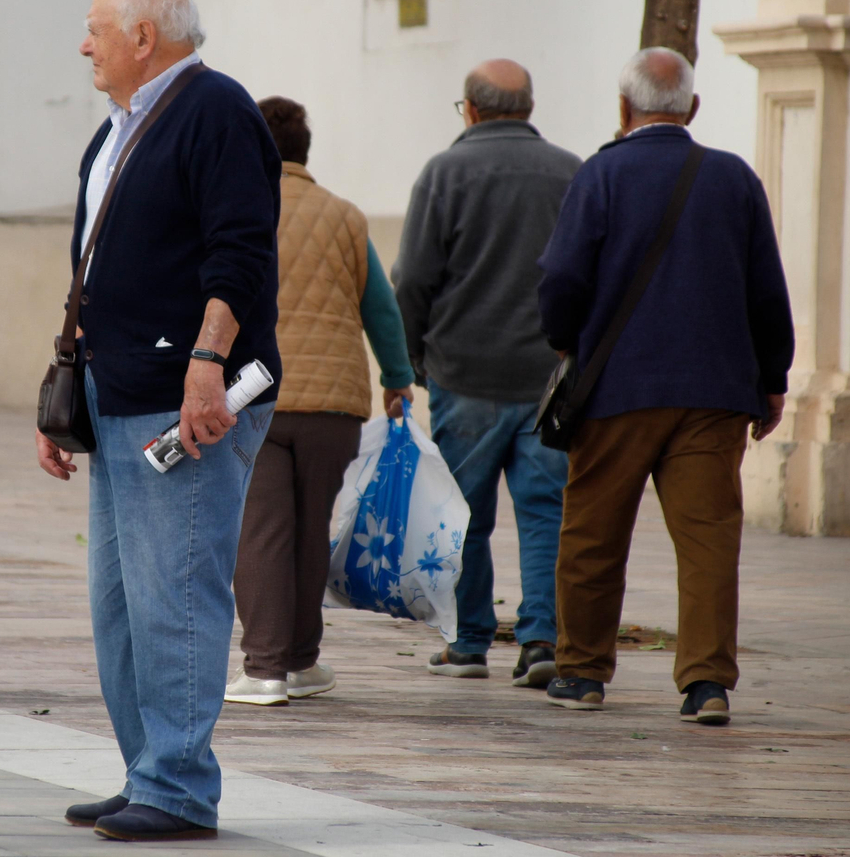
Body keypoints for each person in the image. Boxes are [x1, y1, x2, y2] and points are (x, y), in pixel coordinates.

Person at [35, 0, 281, 843]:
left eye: (96, 28)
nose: (84, 44)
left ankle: (177, 788)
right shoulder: (118, 130)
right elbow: (96, 269)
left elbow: (241, 250)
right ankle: (149, 769)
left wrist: (210, 360)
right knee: (121, 603)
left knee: (175, 594)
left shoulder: (215, 111)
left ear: (145, 36)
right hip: (116, 390)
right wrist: (64, 382)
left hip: (187, 397)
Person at [537, 47, 793, 724]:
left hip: (617, 389)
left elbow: (562, 278)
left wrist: (566, 340)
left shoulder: (601, 175)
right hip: (714, 391)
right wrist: (773, 379)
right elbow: (767, 288)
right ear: (693, 108)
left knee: (593, 532)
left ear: (623, 109)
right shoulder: (733, 178)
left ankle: (583, 671)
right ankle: (706, 683)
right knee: (709, 541)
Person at [391, 60, 580, 688]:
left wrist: (414, 359)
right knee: (545, 512)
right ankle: (541, 640)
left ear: (470, 109)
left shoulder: (445, 172)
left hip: (464, 374)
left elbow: (414, 279)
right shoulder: (569, 172)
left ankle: (469, 642)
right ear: (527, 106)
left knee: (464, 514)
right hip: (548, 377)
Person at [225, 96, 414, 708]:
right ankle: (302, 662)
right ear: (306, 151)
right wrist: (397, 376)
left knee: (261, 532)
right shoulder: (345, 216)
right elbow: (380, 308)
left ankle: (263, 667)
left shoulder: (238, 212)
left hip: (256, 397)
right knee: (311, 534)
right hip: (335, 405)